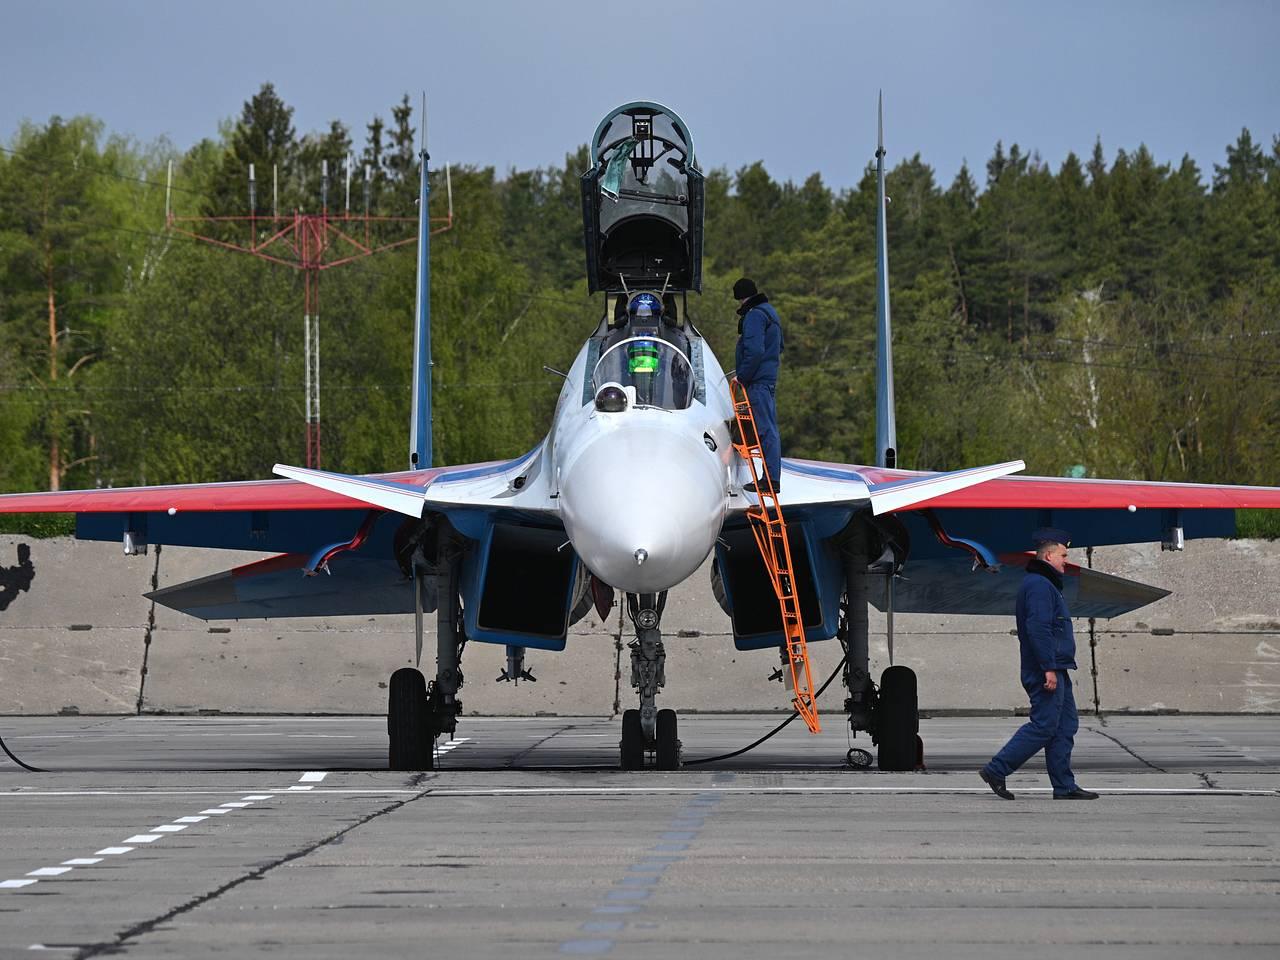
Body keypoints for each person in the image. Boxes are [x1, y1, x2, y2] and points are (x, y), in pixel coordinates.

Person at [979, 528, 1099, 801]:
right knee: (1044, 725)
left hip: (1057, 666)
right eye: (1063, 555)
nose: (1065, 561)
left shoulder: (1046, 584)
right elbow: (1038, 628)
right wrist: (1048, 667)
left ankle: (1064, 786)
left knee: (1065, 726)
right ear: (1047, 556)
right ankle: (997, 769)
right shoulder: (1039, 586)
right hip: (1045, 668)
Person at [732, 278, 784, 493]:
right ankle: (771, 478)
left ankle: (769, 481)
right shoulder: (770, 313)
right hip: (767, 379)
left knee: (764, 430)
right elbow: (779, 347)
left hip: (757, 382)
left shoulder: (754, 315)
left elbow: (754, 351)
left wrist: (742, 376)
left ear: (741, 297)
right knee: (768, 428)